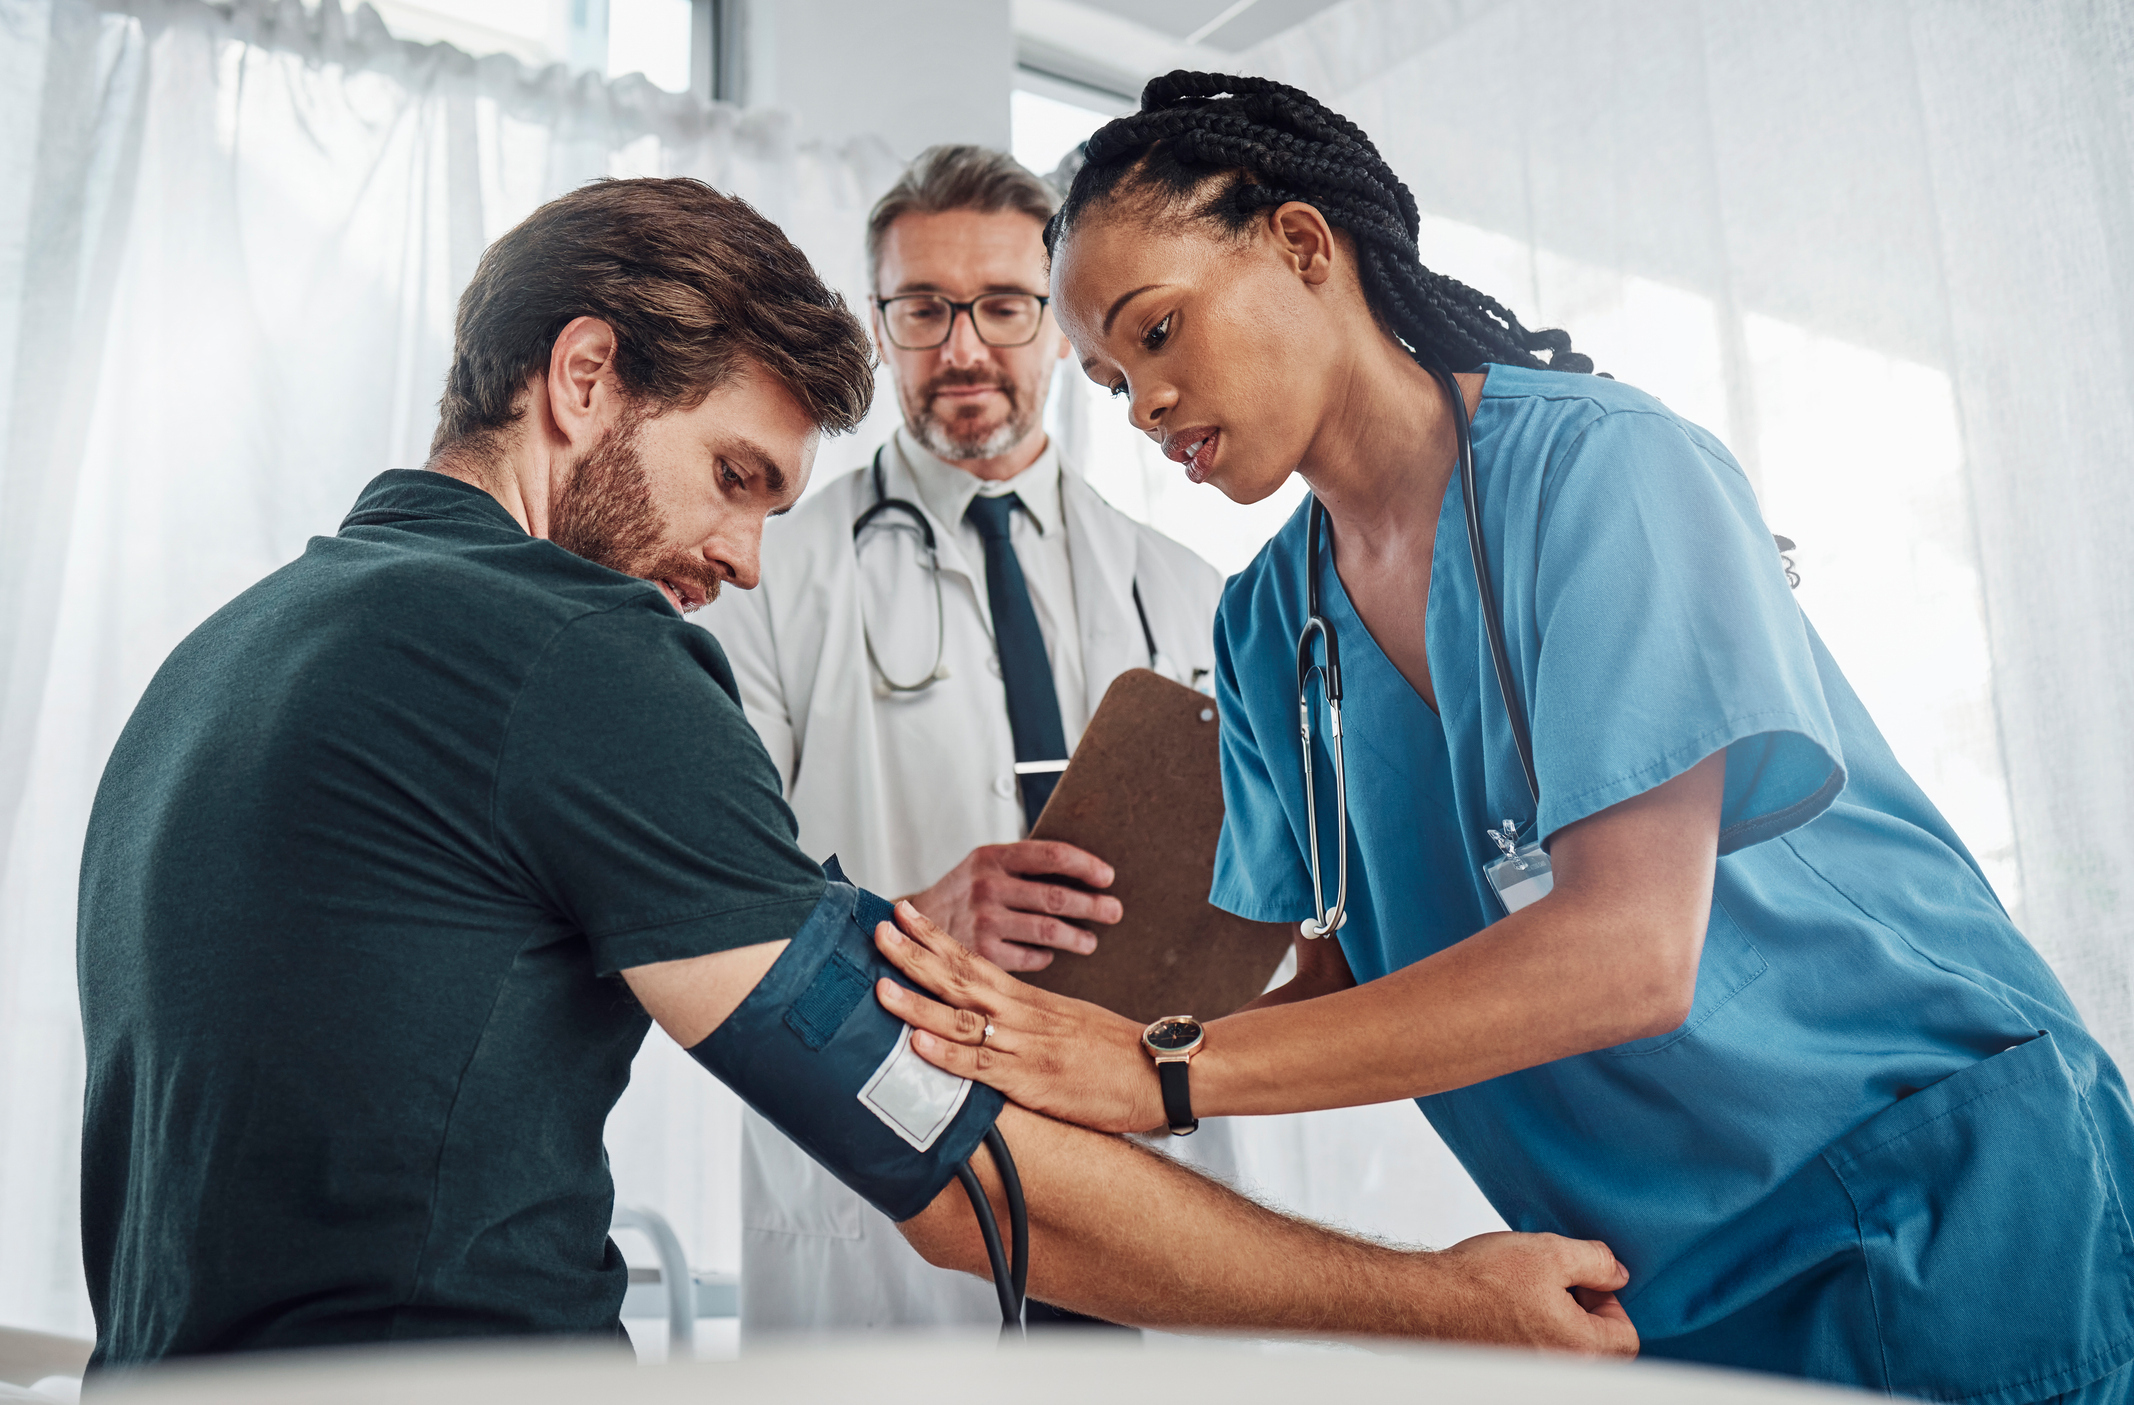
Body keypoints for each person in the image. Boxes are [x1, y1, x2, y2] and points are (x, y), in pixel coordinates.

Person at [74, 175, 1637, 1366]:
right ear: (582, 375)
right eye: (735, 479)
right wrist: (1432, 1297)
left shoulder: (223, 655)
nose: (749, 561)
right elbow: (959, 1186)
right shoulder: (568, 655)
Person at [874, 73, 2134, 1405]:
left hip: (1938, 1198)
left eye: (1160, 331)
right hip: (1656, 1280)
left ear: (1304, 247)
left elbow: (1627, 954)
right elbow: (1352, 965)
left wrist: (1162, 1071)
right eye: (1113, 380)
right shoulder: (1263, 629)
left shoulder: (1607, 474)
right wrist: (1050, 1053)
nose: (1142, 405)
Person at [703, 145, 1224, 1335]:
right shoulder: (765, 576)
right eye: (923, 309)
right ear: (878, 329)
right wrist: (907, 925)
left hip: (1134, 1139)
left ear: (1058, 325)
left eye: (1002, 306)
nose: (965, 348)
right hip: (883, 1159)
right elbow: (712, 887)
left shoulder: (1185, 587)